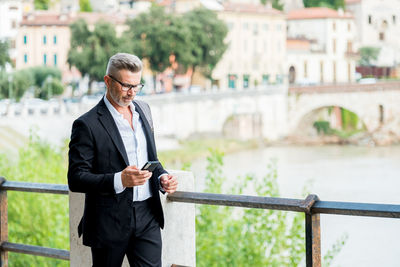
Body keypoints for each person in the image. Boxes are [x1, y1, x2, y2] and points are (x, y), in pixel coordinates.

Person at [68, 53, 178, 267]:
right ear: (108, 81)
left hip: (148, 214)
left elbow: (150, 158)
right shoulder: (86, 124)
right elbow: (76, 178)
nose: (132, 93)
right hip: (108, 221)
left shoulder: (144, 110)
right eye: (126, 85)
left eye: (137, 86)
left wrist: (162, 177)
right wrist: (120, 180)